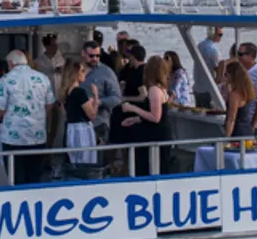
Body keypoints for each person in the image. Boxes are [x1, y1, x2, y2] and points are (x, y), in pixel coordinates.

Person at [0, 49, 56, 185]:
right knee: (34, 177)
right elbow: (50, 103)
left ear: (11, 63)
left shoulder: (6, 79)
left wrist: (5, 116)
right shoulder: (43, 78)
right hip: (37, 135)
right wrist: (38, 114)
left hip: (13, 138)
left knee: (16, 179)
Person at [119, 55, 174, 175]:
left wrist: (133, 108)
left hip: (157, 134)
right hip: (162, 132)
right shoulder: (162, 88)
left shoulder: (154, 90)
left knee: (154, 166)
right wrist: (136, 119)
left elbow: (155, 117)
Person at [76, 40, 122, 177]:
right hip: (77, 123)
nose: (95, 59)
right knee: (77, 163)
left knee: (98, 163)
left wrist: (98, 102)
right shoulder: (75, 70)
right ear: (83, 53)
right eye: (91, 56)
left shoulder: (106, 72)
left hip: (98, 124)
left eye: (97, 55)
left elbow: (117, 98)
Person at [59, 58, 101, 175]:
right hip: (82, 130)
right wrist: (95, 97)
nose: (85, 73)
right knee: (86, 163)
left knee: (75, 161)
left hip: (71, 129)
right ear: (75, 73)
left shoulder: (66, 92)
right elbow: (92, 115)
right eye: (82, 71)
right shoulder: (80, 92)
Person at [221, 60, 257, 141]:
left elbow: (231, 119)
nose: (224, 77)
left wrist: (226, 138)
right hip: (246, 131)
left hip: (236, 133)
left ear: (232, 76)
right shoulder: (248, 91)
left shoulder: (235, 94)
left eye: (226, 74)